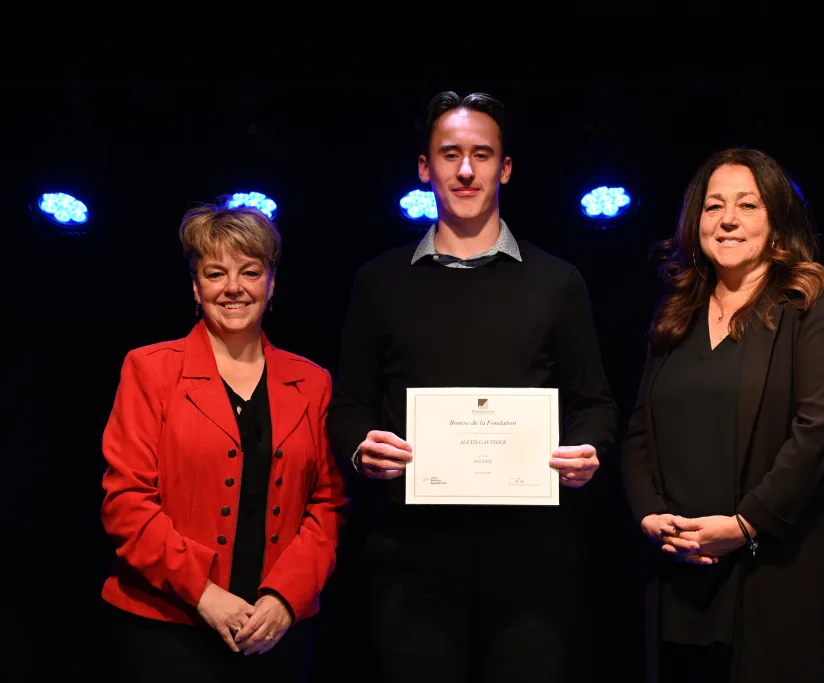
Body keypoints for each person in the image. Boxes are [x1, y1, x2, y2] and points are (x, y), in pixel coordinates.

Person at [327, 91, 618, 683]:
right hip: (411, 562)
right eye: (450, 153)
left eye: (481, 155)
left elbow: (595, 404)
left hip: (531, 563)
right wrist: (361, 448)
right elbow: (349, 405)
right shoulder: (379, 282)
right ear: (424, 168)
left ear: (504, 169)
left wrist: (587, 449)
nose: (465, 170)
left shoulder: (557, 281)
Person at [621, 148, 824, 683]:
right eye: (714, 206)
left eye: (747, 205)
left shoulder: (814, 304)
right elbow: (640, 428)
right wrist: (650, 513)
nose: (728, 220)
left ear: (777, 219)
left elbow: (820, 433)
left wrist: (745, 524)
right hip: (684, 570)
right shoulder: (677, 313)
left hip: (777, 570)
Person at [99, 204, 347, 682]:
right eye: (216, 273)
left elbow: (329, 504)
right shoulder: (150, 369)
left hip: (275, 630)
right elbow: (125, 503)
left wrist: (285, 597)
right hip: (166, 625)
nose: (233, 287)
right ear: (196, 288)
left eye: (250, 272)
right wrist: (204, 593)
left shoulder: (312, 381)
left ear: (271, 285)